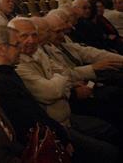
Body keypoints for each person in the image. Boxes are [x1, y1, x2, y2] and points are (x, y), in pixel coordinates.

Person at [13, 17, 121, 162]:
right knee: (108, 150)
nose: (32, 40)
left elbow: (66, 71)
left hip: (67, 112)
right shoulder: (18, 64)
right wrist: (64, 81)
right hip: (55, 124)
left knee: (110, 126)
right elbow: (51, 91)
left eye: (34, 34)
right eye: (24, 36)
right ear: (12, 39)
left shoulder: (38, 51)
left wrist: (60, 78)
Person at [0, 25, 71, 147]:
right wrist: (62, 137)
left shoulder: (8, 71)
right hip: (40, 143)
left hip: (50, 131)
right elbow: (26, 121)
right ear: (1, 49)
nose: (21, 49)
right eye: (17, 45)